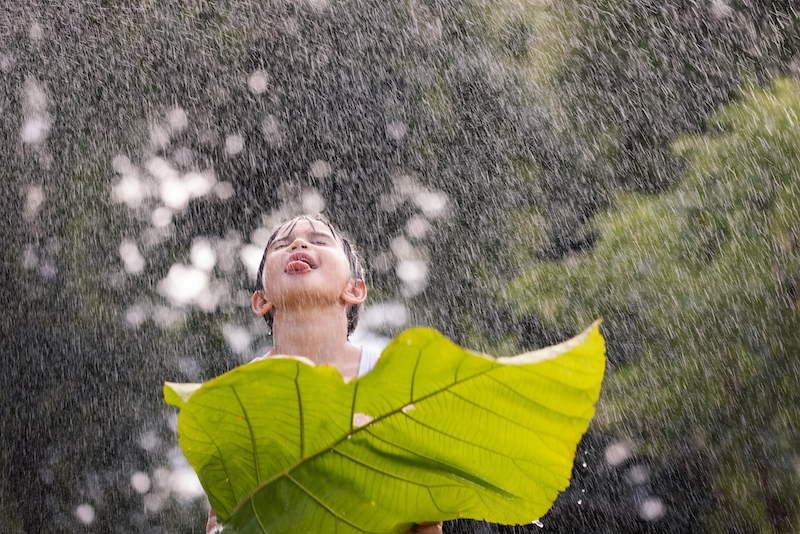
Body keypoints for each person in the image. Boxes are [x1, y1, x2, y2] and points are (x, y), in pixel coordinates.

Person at [206, 214, 442, 534]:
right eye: (281, 245)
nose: (298, 244)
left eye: (318, 241)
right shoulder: (236, 395)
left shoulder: (393, 379)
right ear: (261, 299)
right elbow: (223, 519)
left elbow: (425, 520)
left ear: (354, 289)